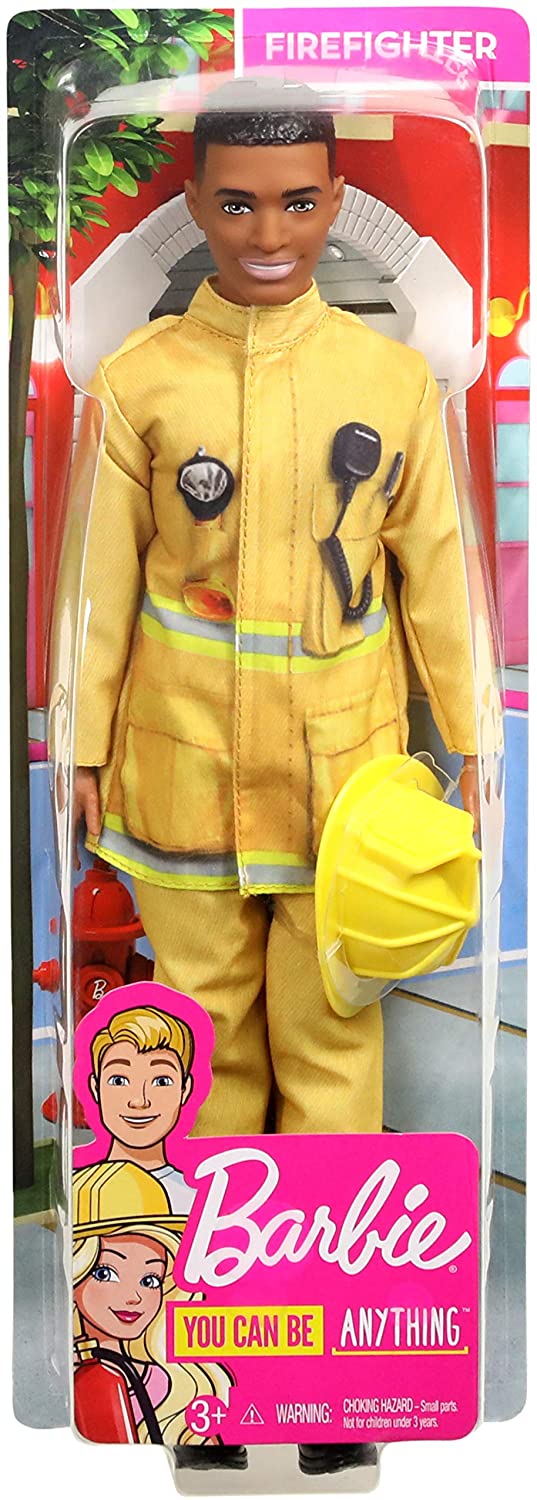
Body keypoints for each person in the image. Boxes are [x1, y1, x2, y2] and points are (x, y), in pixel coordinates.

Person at [66, 79, 478, 1474]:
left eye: (299, 202)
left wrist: (473, 742)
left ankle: (335, 1387)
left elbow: (439, 586)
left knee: (333, 1056)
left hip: (343, 792)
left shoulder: (388, 385)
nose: (267, 233)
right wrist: (78, 744)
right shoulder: (141, 383)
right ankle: (212, 1388)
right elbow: (97, 592)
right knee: (205, 1062)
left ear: (335, 205)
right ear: (193, 204)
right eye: (236, 204)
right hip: (180, 780)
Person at [73, 1161, 234, 1453]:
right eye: (106, 1273)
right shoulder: (67, 1376)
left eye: (150, 1280)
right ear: (77, 1268)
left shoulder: (173, 1385)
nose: (134, 1297)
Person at [86, 1005, 196, 1215]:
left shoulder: (198, 1199)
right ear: (95, 1087)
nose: (139, 1100)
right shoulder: (77, 1191)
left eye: (161, 1081)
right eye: (119, 1080)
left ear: (185, 1089)